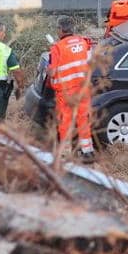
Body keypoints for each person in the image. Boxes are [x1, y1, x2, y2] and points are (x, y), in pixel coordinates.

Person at [47, 16, 96, 162]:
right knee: (83, 119)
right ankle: (88, 151)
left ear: (61, 29)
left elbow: (52, 72)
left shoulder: (57, 48)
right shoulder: (84, 42)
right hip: (83, 88)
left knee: (65, 121)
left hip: (66, 91)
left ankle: (66, 153)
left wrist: (48, 68)